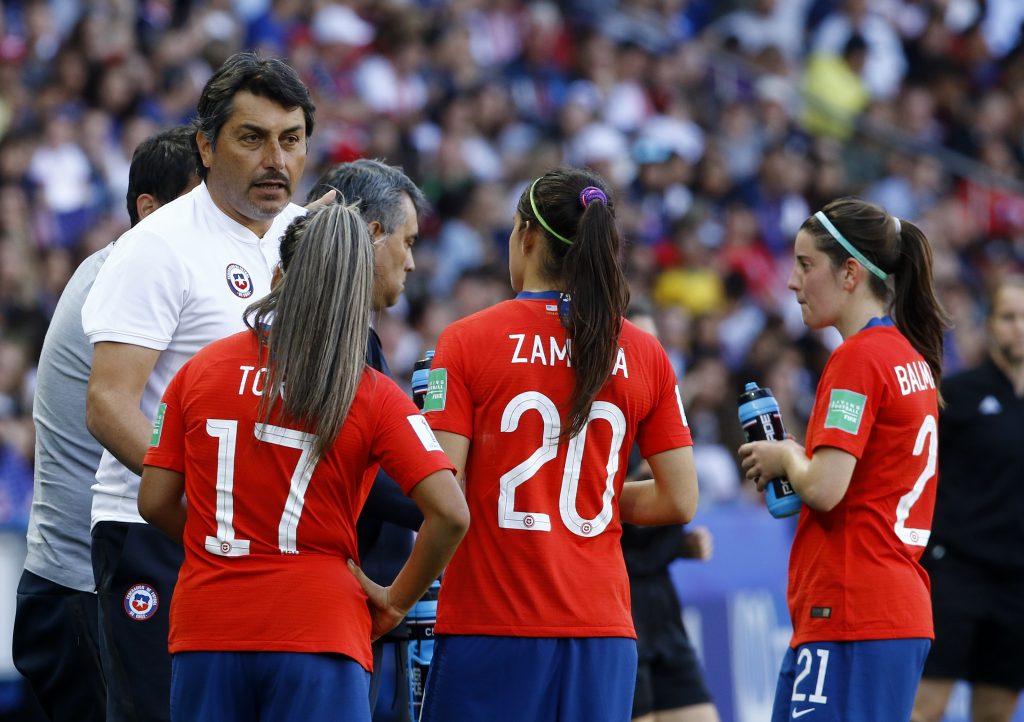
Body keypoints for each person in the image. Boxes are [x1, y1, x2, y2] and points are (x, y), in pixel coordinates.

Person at [136, 202, 469, 722]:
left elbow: (154, 500)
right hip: (321, 630)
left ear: (276, 274)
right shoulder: (370, 393)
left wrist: (215, 539)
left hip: (209, 625)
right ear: (355, 292)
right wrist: (395, 601)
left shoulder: (198, 372)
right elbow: (451, 513)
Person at [81, 52, 316, 722]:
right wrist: (200, 509)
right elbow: (108, 403)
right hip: (156, 530)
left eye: (291, 139)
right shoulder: (160, 245)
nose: (276, 159)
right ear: (207, 146)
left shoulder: (303, 238)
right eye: (253, 138)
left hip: (266, 541)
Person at [420, 167, 700, 722]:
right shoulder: (644, 351)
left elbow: (440, 492)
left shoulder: (465, 341)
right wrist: (582, 492)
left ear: (527, 236)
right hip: (602, 632)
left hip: (491, 626)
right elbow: (680, 500)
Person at [12, 126, 200, 722]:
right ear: (150, 210)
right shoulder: (125, 282)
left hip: (98, 580)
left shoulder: (141, 275)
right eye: (201, 207)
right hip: (84, 591)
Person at [738, 197, 948, 722]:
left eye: (806, 265)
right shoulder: (907, 356)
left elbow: (826, 487)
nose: (792, 282)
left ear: (851, 272)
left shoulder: (857, 359)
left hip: (854, 610)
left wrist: (786, 453)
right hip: (885, 609)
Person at [307, 158, 429, 722]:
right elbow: (348, 458)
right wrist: (437, 497)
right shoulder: (330, 335)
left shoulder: (350, 330)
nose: (410, 260)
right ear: (372, 235)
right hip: (344, 603)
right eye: (405, 242)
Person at [911, 276, 1024, 722]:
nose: (1018, 327)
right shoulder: (957, 395)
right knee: (925, 709)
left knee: (996, 714)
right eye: (1008, 317)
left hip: (1017, 584)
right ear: (989, 324)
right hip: (955, 574)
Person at [621, 304, 720, 722]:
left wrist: (679, 546)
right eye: (636, 342)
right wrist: (641, 477)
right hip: (620, 608)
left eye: (654, 343)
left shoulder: (664, 417)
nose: (648, 352)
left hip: (663, 608)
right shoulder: (600, 420)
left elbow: (672, 507)